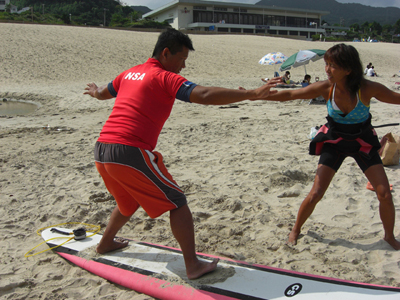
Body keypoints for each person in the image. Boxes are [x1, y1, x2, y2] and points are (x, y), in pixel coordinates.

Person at [83, 28, 281, 280]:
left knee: (129, 202)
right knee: (177, 202)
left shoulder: (128, 73)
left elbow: (102, 93)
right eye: (182, 59)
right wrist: (251, 94)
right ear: (166, 53)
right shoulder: (162, 76)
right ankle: (193, 265)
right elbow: (204, 95)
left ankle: (105, 244)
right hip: (129, 151)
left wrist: (93, 91)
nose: (183, 66)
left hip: (102, 150)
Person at [261, 43, 400, 250]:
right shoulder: (327, 88)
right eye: (326, 64)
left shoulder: (368, 88)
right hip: (334, 143)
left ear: (348, 69)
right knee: (316, 193)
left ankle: (389, 236)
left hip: (362, 144)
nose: (327, 69)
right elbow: (290, 95)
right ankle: (296, 229)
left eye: (332, 65)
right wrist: (257, 94)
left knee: (384, 194)